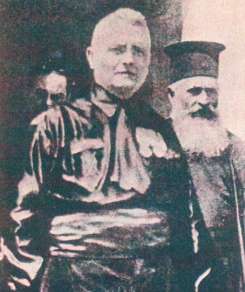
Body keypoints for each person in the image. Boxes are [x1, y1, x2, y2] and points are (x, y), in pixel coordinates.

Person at [4, 8, 194, 291]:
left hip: (153, 278)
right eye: (118, 50)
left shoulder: (163, 129)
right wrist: (20, 284)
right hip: (71, 278)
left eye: (139, 52)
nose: (129, 60)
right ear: (91, 56)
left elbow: (180, 217)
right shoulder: (55, 124)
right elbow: (24, 213)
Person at [165, 41, 245, 292]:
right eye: (194, 91)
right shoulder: (153, 141)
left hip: (222, 276)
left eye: (211, 92)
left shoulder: (235, 150)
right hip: (164, 271)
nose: (204, 100)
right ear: (172, 95)